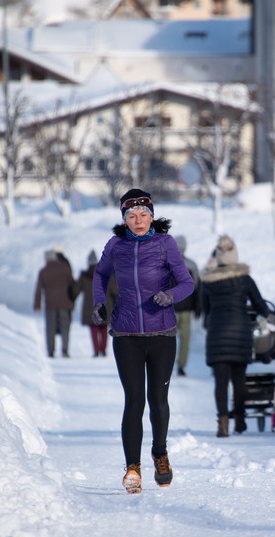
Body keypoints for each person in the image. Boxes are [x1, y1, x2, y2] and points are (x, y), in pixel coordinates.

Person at [91, 188, 194, 494]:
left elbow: (188, 282)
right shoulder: (116, 245)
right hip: (126, 334)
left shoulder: (165, 244)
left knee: (158, 402)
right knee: (133, 401)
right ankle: (133, 468)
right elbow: (100, 275)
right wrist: (99, 302)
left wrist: (170, 295)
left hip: (161, 332)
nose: (138, 221)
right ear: (124, 218)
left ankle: (160, 453)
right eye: (132, 216)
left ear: (152, 215)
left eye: (144, 215)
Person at [200, 234, 275, 438]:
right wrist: (270, 316)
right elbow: (259, 304)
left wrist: (211, 322)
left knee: (221, 382)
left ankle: (223, 423)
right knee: (239, 381)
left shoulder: (209, 281)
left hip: (217, 333)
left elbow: (204, 312)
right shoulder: (245, 279)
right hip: (240, 332)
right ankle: (240, 421)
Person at [74, 250, 117, 357]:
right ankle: (103, 350)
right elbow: (114, 290)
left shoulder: (84, 276)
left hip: (90, 307)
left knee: (94, 329)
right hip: (105, 306)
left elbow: (76, 290)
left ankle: (97, 350)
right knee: (103, 328)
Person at [33, 248, 75, 358]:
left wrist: (37, 305)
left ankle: (50, 351)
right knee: (65, 327)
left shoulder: (43, 271)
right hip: (65, 303)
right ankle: (65, 350)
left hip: (50, 304)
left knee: (50, 328)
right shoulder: (65, 268)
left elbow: (39, 290)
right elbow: (72, 284)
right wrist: (72, 299)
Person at [173, 235, 201, 377]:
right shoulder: (192, 265)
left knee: (168, 339)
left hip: (170, 309)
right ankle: (181, 366)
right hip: (187, 309)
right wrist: (198, 308)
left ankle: (166, 364)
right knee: (185, 340)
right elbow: (197, 288)